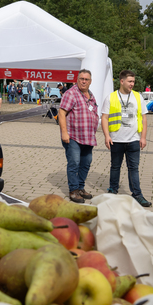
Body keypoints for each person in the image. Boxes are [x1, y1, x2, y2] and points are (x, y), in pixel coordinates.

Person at [101, 70, 152, 207]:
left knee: (133, 168)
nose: (132, 84)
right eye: (130, 81)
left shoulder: (137, 97)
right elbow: (104, 118)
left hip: (134, 140)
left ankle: (137, 195)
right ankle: (112, 191)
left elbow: (144, 117)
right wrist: (107, 136)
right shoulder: (110, 97)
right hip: (116, 139)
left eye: (133, 82)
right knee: (115, 167)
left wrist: (143, 137)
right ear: (121, 81)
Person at [58, 69, 99, 204]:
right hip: (73, 136)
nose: (84, 81)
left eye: (86, 79)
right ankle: (73, 190)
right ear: (77, 79)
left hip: (88, 137)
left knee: (86, 163)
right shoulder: (71, 94)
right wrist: (64, 132)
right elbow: (62, 113)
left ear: (90, 81)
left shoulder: (91, 95)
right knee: (74, 163)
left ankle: (80, 188)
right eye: (81, 78)